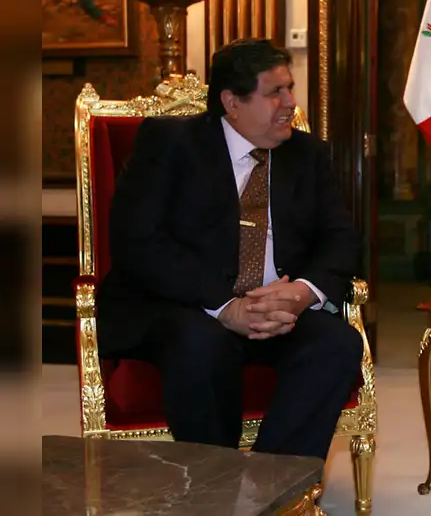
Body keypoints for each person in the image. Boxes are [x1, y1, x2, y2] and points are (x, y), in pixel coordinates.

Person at [96, 38, 363, 461]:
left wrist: (301, 293)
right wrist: (226, 306)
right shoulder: (171, 144)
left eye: (289, 88)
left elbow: (341, 238)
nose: (290, 103)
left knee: (338, 344)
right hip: (189, 306)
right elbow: (139, 242)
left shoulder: (307, 155)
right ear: (232, 102)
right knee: (200, 345)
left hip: (276, 307)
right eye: (274, 92)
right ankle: (215, 484)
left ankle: (270, 481)